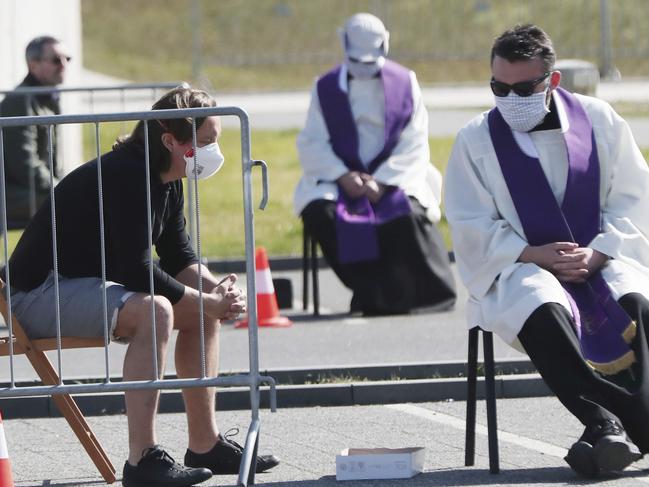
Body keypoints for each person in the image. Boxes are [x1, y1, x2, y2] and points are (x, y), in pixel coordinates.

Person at [3, 87, 279, 486]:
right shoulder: (129, 175)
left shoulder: (168, 175)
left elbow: (179, 254)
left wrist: (217, 292)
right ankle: (142, 460)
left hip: (74, 285)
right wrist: (206, 300)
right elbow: (135, 268)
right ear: (171, 140)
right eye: (204, 142)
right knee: (158, 310)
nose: (213, 151)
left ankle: (205, 443)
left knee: (201, 312)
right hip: (33, 295)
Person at [445, 24, 649, 478]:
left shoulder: (599, 120)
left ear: (552, 80)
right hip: (519, 264)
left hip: (600, 254)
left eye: (523, 88)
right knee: (541, 303)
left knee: (635, 299)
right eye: (499, 87)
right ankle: (610, 421)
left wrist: (600, 253)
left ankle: (605, 433)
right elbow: (470, 223)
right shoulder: (475, 139)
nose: (510, 98)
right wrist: (533, 254)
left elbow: (633, 198)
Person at [294, 12, 456, 316]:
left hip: (394, 174)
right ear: (343, 44)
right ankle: (368, 291)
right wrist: (342, 176)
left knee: (406, 214)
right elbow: (311, 141)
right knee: (321, 213)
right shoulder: (324, 87)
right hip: (340, 175)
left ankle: (406, 293)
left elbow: (415, 138)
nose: (364, 68)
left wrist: (382, 182)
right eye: (358, 60)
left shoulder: (405, 82)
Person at [0, 36, 69, 225]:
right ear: (33, 64)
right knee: (72, 202)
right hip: (11, 192)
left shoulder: (47, 98)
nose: (63, 65)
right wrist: (61, 188)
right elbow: (24, 164)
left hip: (27, 189)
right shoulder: (20, 101)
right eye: (56, 60)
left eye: (66, 59)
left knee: (78, 198)